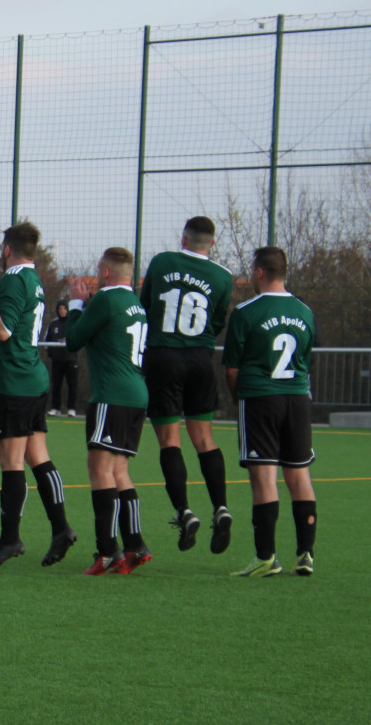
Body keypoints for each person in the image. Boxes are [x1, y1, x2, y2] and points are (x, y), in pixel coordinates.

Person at [0, 222, 78, 570]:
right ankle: (61, 528)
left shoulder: (15, 280)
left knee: (11, 462)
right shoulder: (32, 279)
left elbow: (2, 329)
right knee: (38, 457)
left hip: (15, 382)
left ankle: (10, 540)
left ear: (7, 250)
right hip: (31, 377)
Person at [139, 216, 236, 554]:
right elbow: (218, 320)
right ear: (212, 243)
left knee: (170, 441)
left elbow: (146, 305)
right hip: (200, 360)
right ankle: (221, 507)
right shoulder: (223, 277)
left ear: (184, 238)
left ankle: (185, 512)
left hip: (164, 357)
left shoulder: (162, 261)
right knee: (205, 439)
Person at [222, 246, 317, 577]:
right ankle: (306, 555)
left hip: (260, 399)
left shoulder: (245, 312)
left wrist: (239, 398)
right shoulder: (305, 311)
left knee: (263, 477)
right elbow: (306, 359)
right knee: (299, 475)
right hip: (298, 400)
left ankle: (266, 558)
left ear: (259, 272)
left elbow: (231, 369)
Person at [66, 247, 153, 575]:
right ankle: (135, 545)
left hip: (111, 395)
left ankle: (107, 550)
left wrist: (76, 304)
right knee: (119, 470)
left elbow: (73, 339)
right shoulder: (135, 304)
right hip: (136, 394)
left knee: (99, 469)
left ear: (104, 272)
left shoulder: (105, 299)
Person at [43, 300, 78, 417]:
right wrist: (52, 353)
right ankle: (55, 408)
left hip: (71, 360)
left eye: (64, 309)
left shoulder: (73, 323)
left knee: (72, 385)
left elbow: (79, 338)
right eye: (60, 309)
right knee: (56, 385)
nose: (62, 311)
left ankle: (71, 408)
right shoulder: (53, 324)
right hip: (57, 361)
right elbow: (46, 341)